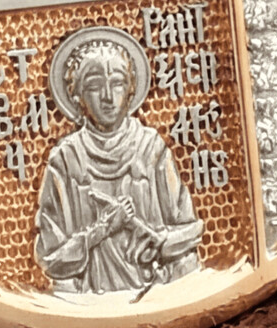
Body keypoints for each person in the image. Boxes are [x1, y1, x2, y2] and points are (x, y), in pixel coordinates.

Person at [34, 40, 202, 296]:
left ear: (131, 89)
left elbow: (188, 230)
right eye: (94, 86)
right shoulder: (66, 159)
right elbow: (51, 256)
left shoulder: (151, 148)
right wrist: (101, 230)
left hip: (155, 294)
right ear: (77, 96)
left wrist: (160, 242)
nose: (108, 97)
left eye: (117, 83)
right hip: (89, 305)